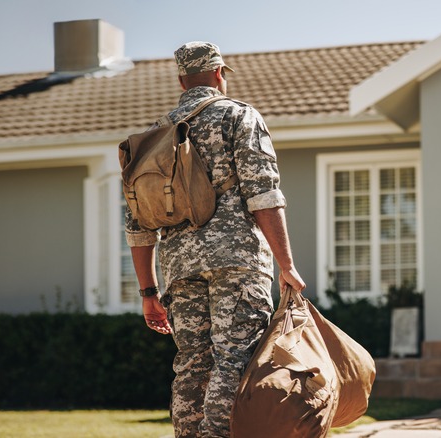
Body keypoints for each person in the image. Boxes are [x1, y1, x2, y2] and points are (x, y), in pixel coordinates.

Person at [124, 41, 306, 438]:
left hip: (178, 269)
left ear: (181, 80)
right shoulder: (239, 116)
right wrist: (286, 265)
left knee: (192, 364)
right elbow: (264, 195)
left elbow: (137, 223)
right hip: (236, 262)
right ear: (220, 73)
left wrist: (147, 292)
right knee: (235, 361)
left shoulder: (155, 136)